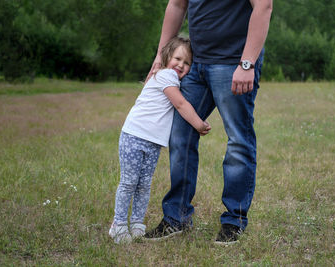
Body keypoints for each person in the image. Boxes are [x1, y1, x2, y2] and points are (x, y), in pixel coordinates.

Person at [143, 0, 272, 245]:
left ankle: (234, 221)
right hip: (195, 63)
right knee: (179, 136)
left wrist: (247, 63)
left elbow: (264, 6)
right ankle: (176, 218)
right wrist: (161, 57)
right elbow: (177, 6)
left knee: (238, 140)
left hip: (234, 62)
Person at [109, 36, 211, 244]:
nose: (181, 65)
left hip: (153, 143)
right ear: (166, 57)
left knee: (144, 185)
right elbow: (181, 105)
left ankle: (137, 223)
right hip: (134, 137)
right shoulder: (165, 76)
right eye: (178, 59)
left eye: (187, 63)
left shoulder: (172, 79)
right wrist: (199, 124)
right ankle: (118, 225)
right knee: (129, 182)